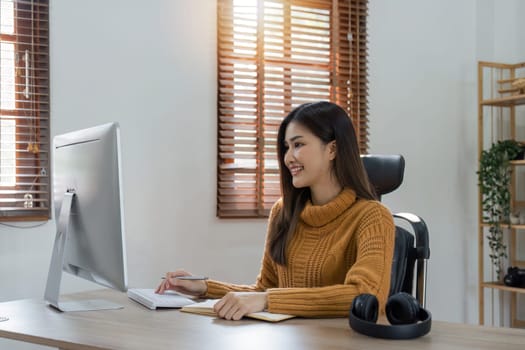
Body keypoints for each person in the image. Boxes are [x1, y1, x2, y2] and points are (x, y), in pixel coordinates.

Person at [156, 101, 395, 320]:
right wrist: (204, 287)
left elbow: (365, 296)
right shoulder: (284, 212)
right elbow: (263, 290)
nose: (288, 157)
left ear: (332, 149)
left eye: (298, 145)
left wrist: (269, 299)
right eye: (286, 147)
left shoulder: (372, 217)